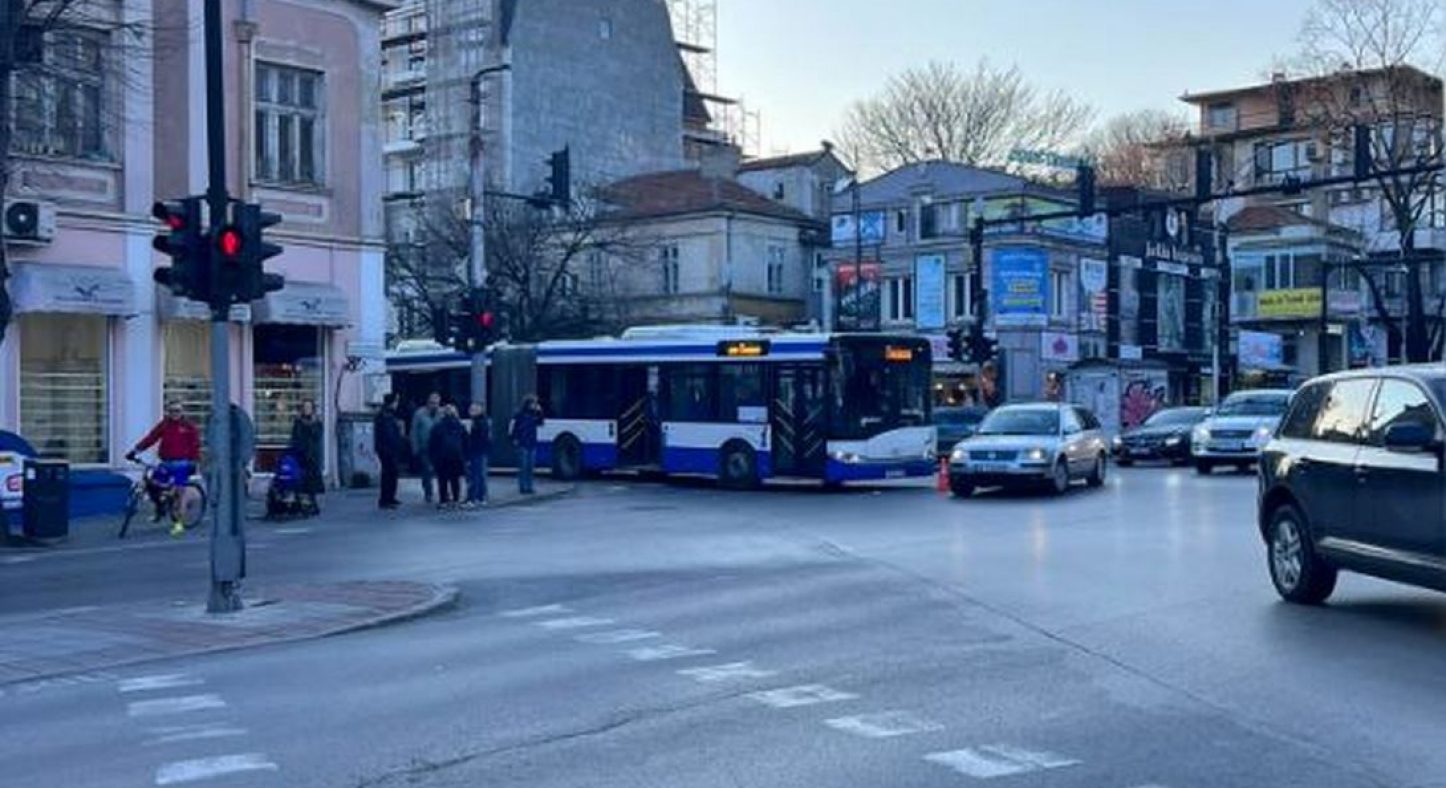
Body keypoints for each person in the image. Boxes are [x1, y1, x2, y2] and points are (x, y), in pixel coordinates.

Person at [127, 400, 202, 534]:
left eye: (177, 411)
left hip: (182, 463)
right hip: (166, 462)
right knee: (153, 485)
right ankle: (160, 509)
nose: (174, 414)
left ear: (182, 412)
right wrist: (135, 451)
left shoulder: (189, 427)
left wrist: (194, 462)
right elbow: (151, 438)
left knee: (180, 492)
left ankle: (179, 523)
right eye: (171, 411)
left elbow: (195, 445)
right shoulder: (164, 425)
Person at [288, 399, 324, 514]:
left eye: (309, 407)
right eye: (305, 407)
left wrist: (312, 425)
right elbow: (294, 437)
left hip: (312, 456)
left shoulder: (317, 422)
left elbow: (317, 436)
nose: (307, 409)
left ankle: (313, 504)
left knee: (311, 482)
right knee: (299, 480)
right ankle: (299, 504)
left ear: (312, 409)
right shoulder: (298, 422)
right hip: (300, 455)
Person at [428, 404, 467, 509]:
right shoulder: (460, 426)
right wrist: (465, 456)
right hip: (456, 457)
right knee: (455, 480)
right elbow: (466, 442)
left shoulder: (437, 427)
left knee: (442, 479)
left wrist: (433, 458)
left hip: (442, 457)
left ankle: (443, 501)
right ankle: (456, 500)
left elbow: (432, 444)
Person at [373, 393, 405, 509]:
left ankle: (390, 497)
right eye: (396, 401)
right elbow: (389, 435)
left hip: (387, 449)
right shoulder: (385, 415)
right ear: (392, 402)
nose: (397, 404)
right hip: (387, 449)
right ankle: (386, 499)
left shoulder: (387, 414)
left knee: (391, 473)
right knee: (389, 474)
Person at [509, 395, 544, 495]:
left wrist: (540, 412)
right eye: (533, 403)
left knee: (530, 467)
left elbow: (541, 423)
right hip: (522, 443)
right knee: (523, 466)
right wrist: (514, 438)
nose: (534, 405)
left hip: (532, 443)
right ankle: (523, 487)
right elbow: (513, 427)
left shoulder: (534, 414)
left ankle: (529, 486)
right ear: (528, 404)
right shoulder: (519, 415)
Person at [411, 392, 442, 503]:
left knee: (441, 471)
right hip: (424, 447)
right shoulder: (419, 413)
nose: (434, 405)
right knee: (427, 471)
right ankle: (428, 493)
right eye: (432, 403)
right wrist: (415, 447)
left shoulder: (441, 413)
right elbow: (414, 431)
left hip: (439, 448)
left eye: (436, 403)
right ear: (428, 402)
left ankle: (443, 493)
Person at [465, 403, 492, 508]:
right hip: (481, 451)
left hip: (476, 452)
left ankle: (472, 499)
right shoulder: (483, 421)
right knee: (480, 475)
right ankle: (481, 498)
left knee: (475, 476)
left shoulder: (478, 423)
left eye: (474, 409)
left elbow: (476, 439)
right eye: (471, 409)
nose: (470, 411)